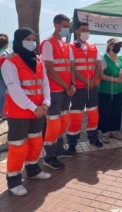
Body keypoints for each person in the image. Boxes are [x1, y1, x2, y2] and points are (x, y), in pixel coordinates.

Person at [1, 28, 51, 196]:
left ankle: (33, 169)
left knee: (36, 142)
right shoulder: (9, 62)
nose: (32, 42)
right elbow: (14, 89)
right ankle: (14, 180)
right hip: (20, 113)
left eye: (33, 39)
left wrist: (46, 103)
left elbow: (45, 83)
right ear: (19, 41)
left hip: (38, 110)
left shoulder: (38, 59)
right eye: (27, 39)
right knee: (17, 147)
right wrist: (33, 107)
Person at [40, 14, 76, 170]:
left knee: (62, 121)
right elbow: (50, 70)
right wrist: (66, 86)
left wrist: (73, 84)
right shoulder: (48, 44)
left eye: (69, 26)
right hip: (55, 90)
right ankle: (50, 156)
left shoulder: (66, 45)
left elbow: (71, 67)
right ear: (56, 25)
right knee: (53, 123)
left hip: (66, 90)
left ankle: (59, 149)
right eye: (65, 26)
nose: (67, 29)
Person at [66, 21, 103, 153]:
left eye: (88, 30)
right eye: (83, 30)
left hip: (92, 87)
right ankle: (72, 143)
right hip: (79, 88)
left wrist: (93, 81)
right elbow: (72, 68)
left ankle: (93, 137)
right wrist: (86, 81)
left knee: (94, 114)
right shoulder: (70, 47)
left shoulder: (93, 47)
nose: (86, 32)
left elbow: (98, 65)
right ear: (77, 31)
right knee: (76, 116)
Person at [98, 38, 122, 143]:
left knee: (116, 111)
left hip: (118, 90)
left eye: (120, 45)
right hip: (106, 90)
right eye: (117, 44)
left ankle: (113, 132)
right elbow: (101, 75)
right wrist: (115, 79)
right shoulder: (103, 58)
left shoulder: (121, 58)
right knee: (105, 112)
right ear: (110, 45)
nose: (119, 47)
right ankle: (104, 134)